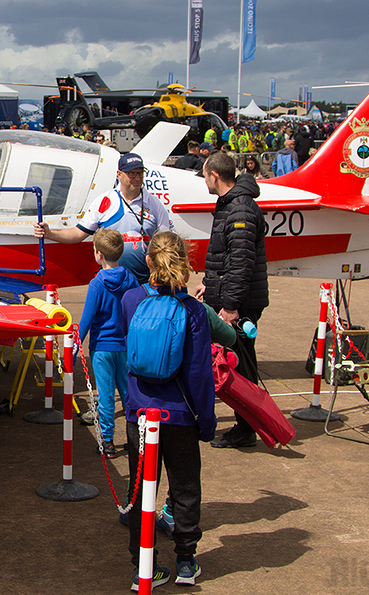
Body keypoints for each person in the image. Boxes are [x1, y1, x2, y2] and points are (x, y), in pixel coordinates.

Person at [120, 231, 236, 590]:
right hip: (180, 414)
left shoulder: (130, 300)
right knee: (185, 487)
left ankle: (146, 566)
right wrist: (207, 420)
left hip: (140, 412)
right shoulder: (194, 311)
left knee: (141, 492)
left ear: (148, 260)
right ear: (185, 262)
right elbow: (199, 372)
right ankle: (186, 561)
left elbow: (132, 356)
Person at [196, 151, 268, 449]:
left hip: (239, 303)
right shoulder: (230, 205)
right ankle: (246, 424)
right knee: (234, 362)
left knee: (241, 366)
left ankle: (247, 427)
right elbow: (226, 256)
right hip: (229, 295)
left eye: (204, 175)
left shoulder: (239, 209)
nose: (203, 180)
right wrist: (207, 283)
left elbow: (241, 263)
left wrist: (230, 307)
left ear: (214, 175)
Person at [33, 153, 173, 285]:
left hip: (144, 280)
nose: (137, 178)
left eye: (140, 173)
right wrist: (49, 233)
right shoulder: (104, 201)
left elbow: (166, 241)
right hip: (113, 280)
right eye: (132, 174)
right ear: (119, 174)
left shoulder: (154, 203)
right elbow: (78, 234)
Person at [78, 228, 137, 458]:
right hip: (125, 346)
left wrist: (75, 346)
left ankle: (108, 442)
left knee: (106, 397)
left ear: (99, 254)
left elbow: (87, 319)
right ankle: (135, 439)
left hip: (102, 347)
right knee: (128, 393)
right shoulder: (131, 279)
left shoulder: (97, 284)